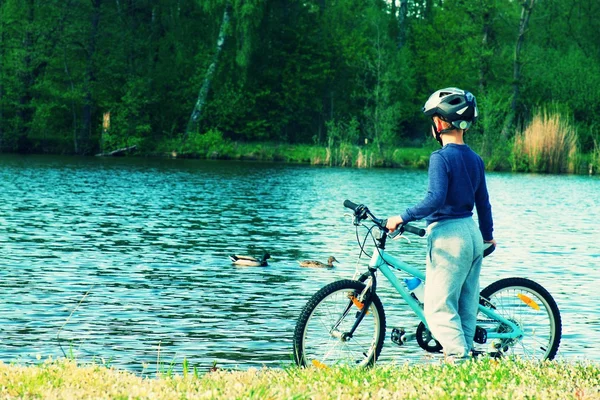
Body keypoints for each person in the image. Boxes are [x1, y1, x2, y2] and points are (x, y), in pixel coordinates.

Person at [386, 87, 496, 361]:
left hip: (449, 237)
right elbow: (483, 202)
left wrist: (402, 217)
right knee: (465, 304)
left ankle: (458, 359)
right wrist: (488, 235)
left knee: (437, 307)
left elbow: (434, 200)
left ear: (438, 123)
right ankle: (466, 356)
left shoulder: (441, 158)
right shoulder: (475, 159)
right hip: (471, 234)